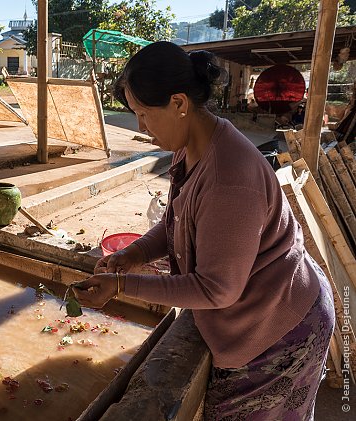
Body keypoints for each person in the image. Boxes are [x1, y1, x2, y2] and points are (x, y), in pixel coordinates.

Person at [73, 42, 334, 420]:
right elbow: (175, 221)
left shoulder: (229, 178)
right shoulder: (190, 143)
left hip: (281, 331)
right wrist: (135, 255)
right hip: (257, 309)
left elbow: (217, 288)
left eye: (144, 114)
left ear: (179, 103)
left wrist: (121, 286)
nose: (141, 128)